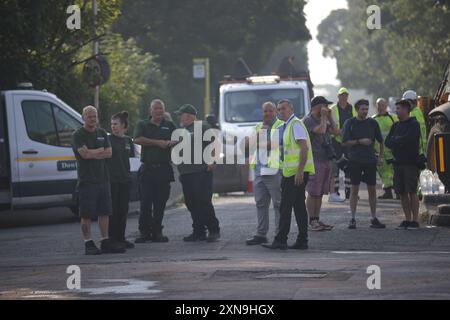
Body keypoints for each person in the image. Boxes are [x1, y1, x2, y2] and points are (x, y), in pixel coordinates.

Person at [72, 106, 125, 255]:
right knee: (86, 214)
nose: (93, 119)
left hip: (103, 179)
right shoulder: (78, 135)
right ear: (83, 118)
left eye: (94, 116)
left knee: (105, 212)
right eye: (89, 116)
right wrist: (97, 151)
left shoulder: (102, 132)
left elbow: (109, 153)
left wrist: (92, 152)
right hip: (87, 180)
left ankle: (104, 241)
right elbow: (85, 155)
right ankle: (88, 243)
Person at [263, 99, 315, 250]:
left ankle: (281, 240)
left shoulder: (295, 124)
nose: (280, 111)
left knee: (285, 207)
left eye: (283, 109)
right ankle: (302, 240)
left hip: (295, 173)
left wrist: (299, 171)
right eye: (279, 109)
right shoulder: (287, 125)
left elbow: (304, 148)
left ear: (291, 109)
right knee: (298, 207)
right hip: (291, 173)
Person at [175, 104, 221, 242]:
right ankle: (199, 231)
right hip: (187, 173)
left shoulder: (202, 127)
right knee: (191, 203)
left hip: (200, 171)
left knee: (203, 202)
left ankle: (214, 229)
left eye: (181, 114)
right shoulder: (184, 130)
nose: (179, 117)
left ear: (188, 116)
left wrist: (213, 161)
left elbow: (215, 144)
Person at [134, 99, 177, 243]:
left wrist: (172, 142)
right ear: (150, 110)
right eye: (156, 108)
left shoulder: (169, 125)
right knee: (145, 203)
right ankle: (144, 232)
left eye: (161, 109)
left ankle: (157, 231)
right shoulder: (143, 124)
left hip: (164, 169)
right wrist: (157, 142)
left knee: (160, 203)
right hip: (148, 169)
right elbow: (137, 139)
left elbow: (180, 138)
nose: (159, 111)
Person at [341, 99, 386, 229]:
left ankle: (373, 217)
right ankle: (352, 218)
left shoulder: (373, 123)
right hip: (355, 160)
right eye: (362, 109)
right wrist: (360, 141)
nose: (365, 111)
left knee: (372, 190)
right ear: (357, 110)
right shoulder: (350, 123)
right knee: (354, 190)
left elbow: (381, 141)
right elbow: (344, 142)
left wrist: (381, 157)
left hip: (370, 161)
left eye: (367, 109)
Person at [246, 102, 284, 245]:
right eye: (265, 111)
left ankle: (279, 235)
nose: (267, 114)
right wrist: (258, 133)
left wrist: (256, 142)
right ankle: (261, 234)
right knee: (260, 204)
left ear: (275, 112)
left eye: (270, 111)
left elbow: (273, 145)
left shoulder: (280, 125)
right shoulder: (258, 126)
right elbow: (247, 144)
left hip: (274, 170)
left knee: (278, 204)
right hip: (259, 171)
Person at [303, 96, 339, 231]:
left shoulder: (324, 119)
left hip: (325, 159)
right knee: (313, 192)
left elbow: (336, 132)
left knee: (320, 193)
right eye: (324, 106)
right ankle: (311, 220)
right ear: (316, 106)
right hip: (314, 160)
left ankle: (317, 219)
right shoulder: (308, 120)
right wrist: (324, 117)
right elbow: (322, 130)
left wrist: (330, 118)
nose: (327, 108)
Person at [385, 99, 421, 230]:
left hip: (410, 163)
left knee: (412, 191)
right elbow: (388, 142)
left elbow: (410, 139)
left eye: (399, 108)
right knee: (402, 193)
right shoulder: (395, 126)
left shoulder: (414, 124)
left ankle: (415, 221)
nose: (396, 111)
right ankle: (407, 219)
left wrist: (397, 140)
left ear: (406, 109)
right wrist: (399, 141)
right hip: (398, 163)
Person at [108, 111, 135, 249]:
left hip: (125, 179)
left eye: (116, 124)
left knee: (123, 210)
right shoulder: (108, 139)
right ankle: (112, 239)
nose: (113, 127)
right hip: (112, 180)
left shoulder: (128, 141)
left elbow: (129, 159)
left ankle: (121, 238)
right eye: (112, 124)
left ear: (123, 125)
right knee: (114, 210)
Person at [329, 87, 356, 202]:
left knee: (349, 168)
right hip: (335, 142)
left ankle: (349, 192)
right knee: (335, 168)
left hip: (348, 143)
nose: (344, 97)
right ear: (338, 96)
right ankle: (335, 192)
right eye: (342, 95)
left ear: (347, 96)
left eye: (345, 95)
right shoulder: (333, 108)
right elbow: (328, 125)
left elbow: (355, 123)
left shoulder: (352, 108)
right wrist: (336, 131)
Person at [372, 98, 398, 199]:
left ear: (386, 105)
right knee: (382, 172)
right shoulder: (373, 119)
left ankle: (398, 192)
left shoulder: (393, 118)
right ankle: (388, 192)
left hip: (392, 151)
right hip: (379, 152)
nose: (380, 107)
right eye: (378, 105)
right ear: (376, 106)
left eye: (382, 104)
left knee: (394, 172)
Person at [402, 90, 427, 156]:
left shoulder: (412, 114)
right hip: (421, 149)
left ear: (409, 102)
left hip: (418, 150)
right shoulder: (417, 111)